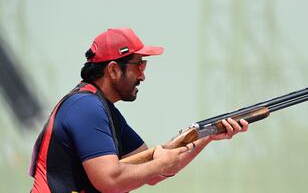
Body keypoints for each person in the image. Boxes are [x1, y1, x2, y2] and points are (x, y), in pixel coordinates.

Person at [29, 28, 249, 193]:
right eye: (138, 66)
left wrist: (208, 134)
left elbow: (152, 170)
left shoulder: (104, 110)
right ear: (114, 69)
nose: (143, 76)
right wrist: (159, 163)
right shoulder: (86, 108)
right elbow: (110, 179)